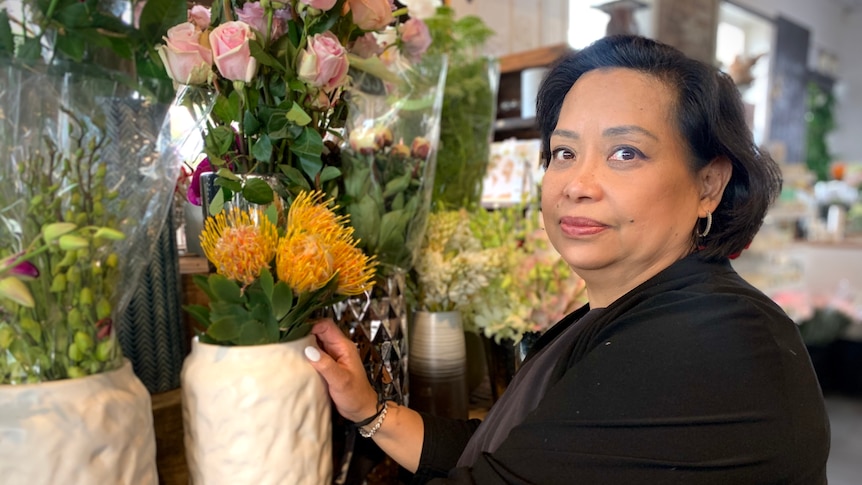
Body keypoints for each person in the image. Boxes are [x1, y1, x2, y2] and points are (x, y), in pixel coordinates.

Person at [304, 35, 830, 484]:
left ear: (709, 184)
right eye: (564, 153)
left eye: (626, 153)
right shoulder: (637, 308)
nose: (578, 185)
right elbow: (508, 448)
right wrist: (370, 410)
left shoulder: (712, 338)